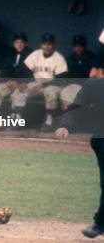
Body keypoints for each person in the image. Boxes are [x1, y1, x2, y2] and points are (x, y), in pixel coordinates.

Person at [54, 53, 104, 238]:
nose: (91, 72)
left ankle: (100, 223)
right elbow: (76, 107)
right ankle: (100, 223)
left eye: (95, 69)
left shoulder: (93, 83)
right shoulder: (93, 86)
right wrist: (65, 125)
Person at [0, 31, 33, 120]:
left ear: (25, 43)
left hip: (25, 84)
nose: (19, 44)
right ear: (14, 43)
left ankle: (16, 119)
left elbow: (30, 73)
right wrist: (7, 81)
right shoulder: (10, 54)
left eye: (22, 42)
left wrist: (20, 83)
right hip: (11, 84)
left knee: (17, 93)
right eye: (17, 42)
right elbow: (4, 71)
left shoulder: (31, 55)